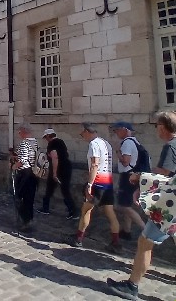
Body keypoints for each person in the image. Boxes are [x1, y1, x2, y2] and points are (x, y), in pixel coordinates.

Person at [107, 111, 176, 300]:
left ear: (163, 127)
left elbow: (165, 174)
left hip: (170, 205)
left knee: (145, 242)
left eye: (157, 125)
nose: (156, 129)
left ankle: (132, 286)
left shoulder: (170, 146)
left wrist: (140, 177)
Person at [68, 123, 121, 252]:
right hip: (108, 182)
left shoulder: (94, 144)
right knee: (110, 212)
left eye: (82, 134)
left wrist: (89, 184)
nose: (82, 136)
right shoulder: (105, 143)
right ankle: (116, 242)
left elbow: (94, 165)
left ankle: (78, 238)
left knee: (86, 210)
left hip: (97, 182)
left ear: (87, 131)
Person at [111, 121, 146, 241]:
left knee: (123, 206)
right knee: (127, 204)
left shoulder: (127, 143)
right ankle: (127, 231)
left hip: (127, 177)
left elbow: (125, 161)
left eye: (117, 130)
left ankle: (146, 230)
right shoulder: (135, 141)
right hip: (134, 176)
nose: (115, 133)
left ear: (124, 130)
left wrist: (117, 152)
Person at [37, 128, 77, 219]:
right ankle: (72, 211)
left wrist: (54, 173)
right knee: (62, 189)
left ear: (48, 136)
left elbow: (55, 158)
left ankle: (46, 208)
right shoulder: (61, 142)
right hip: (67, 167)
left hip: (59, 169)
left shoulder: (52, 144)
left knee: (53, 189)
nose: (45, 139)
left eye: (45, 137)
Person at [12, 122, 38, 231]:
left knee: (20, 197)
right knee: (29, 198)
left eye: (19, 131)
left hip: (24, 173)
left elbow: (22, 160)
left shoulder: (24, 143)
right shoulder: (34, 142)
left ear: (24, 131)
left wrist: (14, 166)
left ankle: (25, 221)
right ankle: (29, 219)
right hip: (33, 172)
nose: (19, 133)